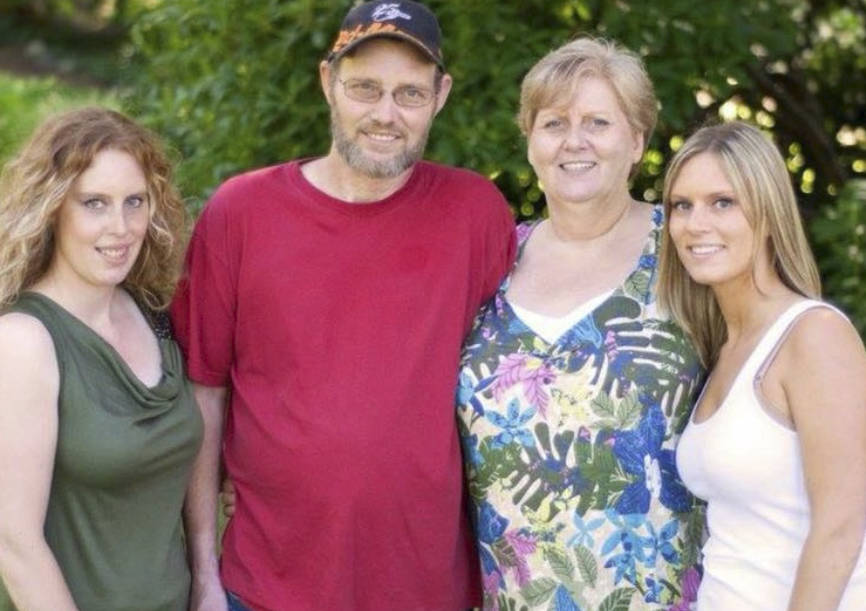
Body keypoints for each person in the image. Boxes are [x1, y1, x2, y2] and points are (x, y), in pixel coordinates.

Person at [169, 1, 516, 609]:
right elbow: (205, 391)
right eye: (365, 88)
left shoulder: (476, 214)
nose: (386, 114)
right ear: (328, 82)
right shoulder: (241, 213)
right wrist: (203, 573)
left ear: (441, 96)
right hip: (266, 586)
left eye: (409, 93)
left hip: (428, 586)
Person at [455, 37, 705, 610]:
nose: (575, 141)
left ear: (636, 141)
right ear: (530, 143)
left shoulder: (687, 249)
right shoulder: (493, 258)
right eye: (554, 123)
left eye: (598, 122)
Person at [0, 107, 202, 610]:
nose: (122, 227)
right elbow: (14, 544)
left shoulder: (154, 313)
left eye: (134, 201)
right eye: (94, 203)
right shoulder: (25, 341)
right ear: (51, 208)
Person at [659, 120, 866, 610]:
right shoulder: (726, 348)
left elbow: (842, 526)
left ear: (768, 212)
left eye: (722, 202)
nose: (695, 223)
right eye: (681, 206)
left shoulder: (813, 335)